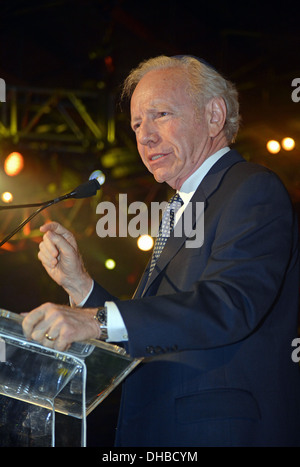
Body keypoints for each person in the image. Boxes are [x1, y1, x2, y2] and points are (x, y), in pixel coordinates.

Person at [22, 55, 300, 447]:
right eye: (137, 123)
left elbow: (230, 303)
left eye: (161, 114)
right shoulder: (178, 211)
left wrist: (96, 320)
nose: (145, 136)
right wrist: (81, 287)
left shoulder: (251, 188)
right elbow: (152, 330)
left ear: (214, 116)